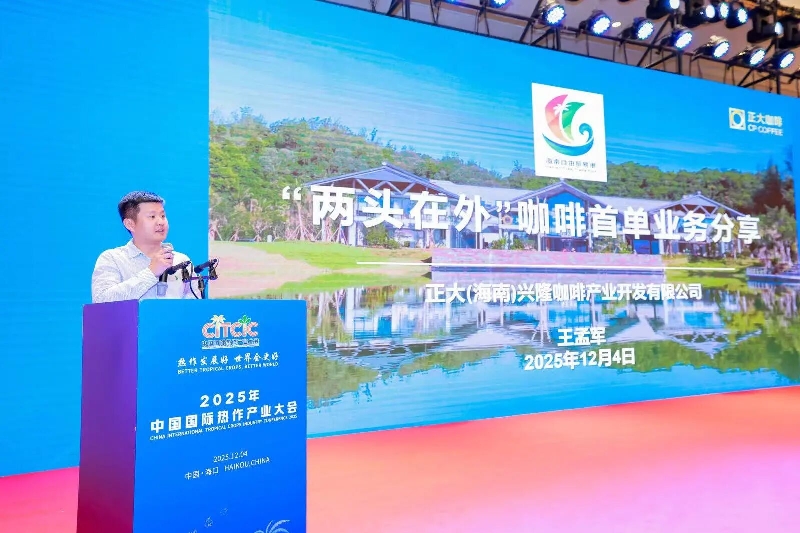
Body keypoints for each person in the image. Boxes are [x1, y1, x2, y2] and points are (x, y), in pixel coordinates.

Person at [91, 191, 195, 303]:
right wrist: (151, 272)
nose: (161, 222)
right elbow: (101, 301)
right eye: (152, 216)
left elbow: (194, 306)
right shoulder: (112, 259)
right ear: (130, 224)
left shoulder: (182, 261)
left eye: (163, 216)